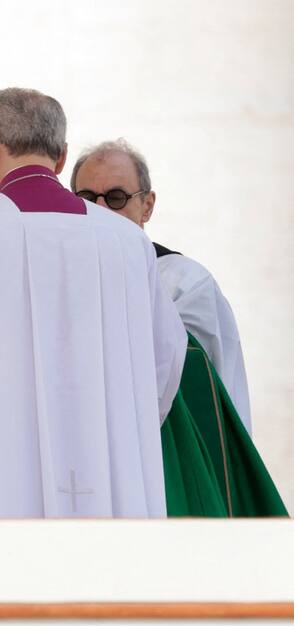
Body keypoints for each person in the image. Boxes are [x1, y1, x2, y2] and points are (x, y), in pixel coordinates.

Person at [0, 87, 187, 519]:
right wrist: (118, 412)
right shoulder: (127, 243)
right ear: (61, 157)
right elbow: (166, 354)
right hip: (107, 458)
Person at [71, 140, 286, 517]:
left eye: (117, 197)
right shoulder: (58, 279)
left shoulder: (184, 283)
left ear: (147, 205)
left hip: (167, 464)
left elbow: (206, 388)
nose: (100, 209)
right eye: (87, 197)